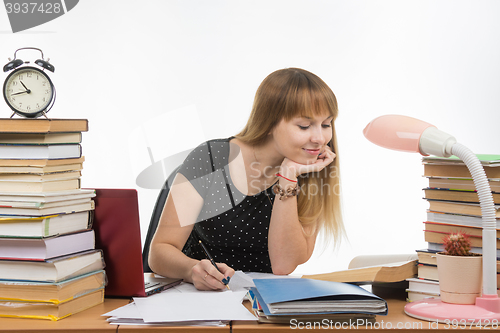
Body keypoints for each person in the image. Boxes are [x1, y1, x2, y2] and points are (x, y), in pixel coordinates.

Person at [149, 68, 344, 291]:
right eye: (304, 126)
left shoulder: (312, 169)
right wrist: (190, 269)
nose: (319, 138)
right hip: (201, 297)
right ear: (270, 122)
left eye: (326, 124)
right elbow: (160, 251)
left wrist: (288, 177)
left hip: (264, 303)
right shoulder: (211, 159)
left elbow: (283, 265)